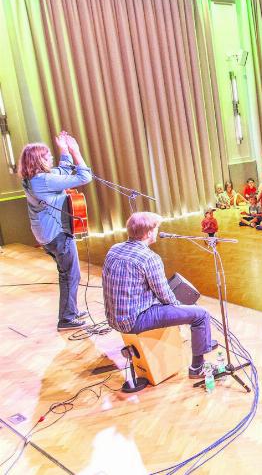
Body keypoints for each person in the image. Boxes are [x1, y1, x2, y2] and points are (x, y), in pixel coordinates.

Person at [102, 212, 215, 378]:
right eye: (156, 229)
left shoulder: (114, 249)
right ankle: (197, 368)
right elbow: (165, 296)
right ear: (148, 233)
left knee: (183, 307)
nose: (157, 232)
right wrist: (182, 307)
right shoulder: (149, 258)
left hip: (113, 317)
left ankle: (202, 341)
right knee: (200, 314)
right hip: (134, 320)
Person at [20, 132, 93, 331]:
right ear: (39, 160)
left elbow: (62, 170)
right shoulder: (43, 180)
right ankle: (67, 318)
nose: (51, 158)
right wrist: (75, 152)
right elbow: (84, 176)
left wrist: (64, 151)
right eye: (47, 156)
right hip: (56, 234)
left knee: (67, 273)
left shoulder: (33, 179)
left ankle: (70, 311)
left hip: (44, 234)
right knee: (70, 275)